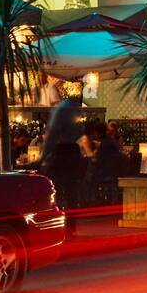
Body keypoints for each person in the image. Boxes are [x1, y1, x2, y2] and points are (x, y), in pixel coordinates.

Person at [42, 98, 86, 236]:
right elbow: (80, 131)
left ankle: (56, 225)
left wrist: (43, 157)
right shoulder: (76, 110)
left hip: (61, 152)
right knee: (71, 191)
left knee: (56, 189)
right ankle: (70, 227)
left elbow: (52, 137)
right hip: (73, 151)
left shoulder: (60, 111)